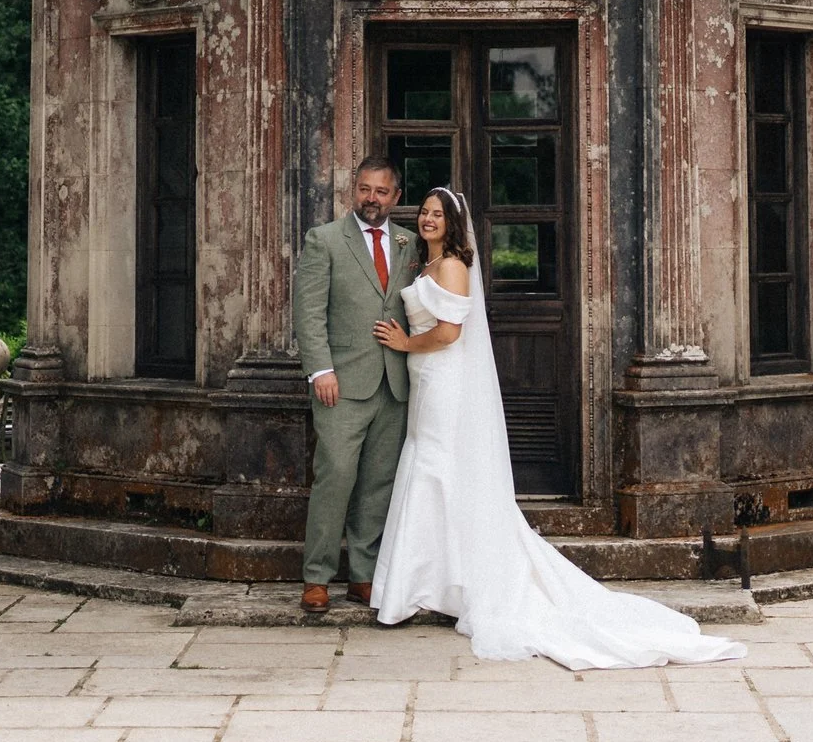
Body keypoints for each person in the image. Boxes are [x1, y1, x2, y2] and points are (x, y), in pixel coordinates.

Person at [368, 184, 746, 668]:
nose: (427, 220)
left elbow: (448, 333)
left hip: (443, 380)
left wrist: (403, 345)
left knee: (439, 469)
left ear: (452, 223)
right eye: (423, 212)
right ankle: (431, 581)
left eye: (437, 214)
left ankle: (440, 583)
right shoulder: (423, 263)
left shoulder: (453, 266)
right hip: (425, 381)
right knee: (430, 468)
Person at [291, 156, 421, 615]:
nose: (372, 199)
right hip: (340, 384)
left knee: (377, 482)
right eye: (365, 189)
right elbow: (308, 312)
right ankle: (317, 577)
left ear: (396, 197)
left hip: (395, 384)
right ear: (355, 190)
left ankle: (363, 575)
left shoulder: (410, 244)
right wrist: (320, 370)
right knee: (336, 477)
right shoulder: (324, 240)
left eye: (382, 191)